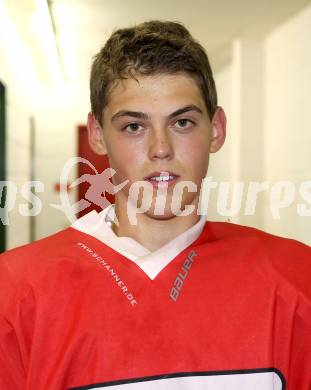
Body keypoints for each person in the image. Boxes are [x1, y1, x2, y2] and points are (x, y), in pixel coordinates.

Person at [0, 20, 310, 390]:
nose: (160, 148)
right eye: (134, 126)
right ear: (98, 134)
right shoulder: (15, 290)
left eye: (182, 122)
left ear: (216, 130)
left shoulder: (295, 279)